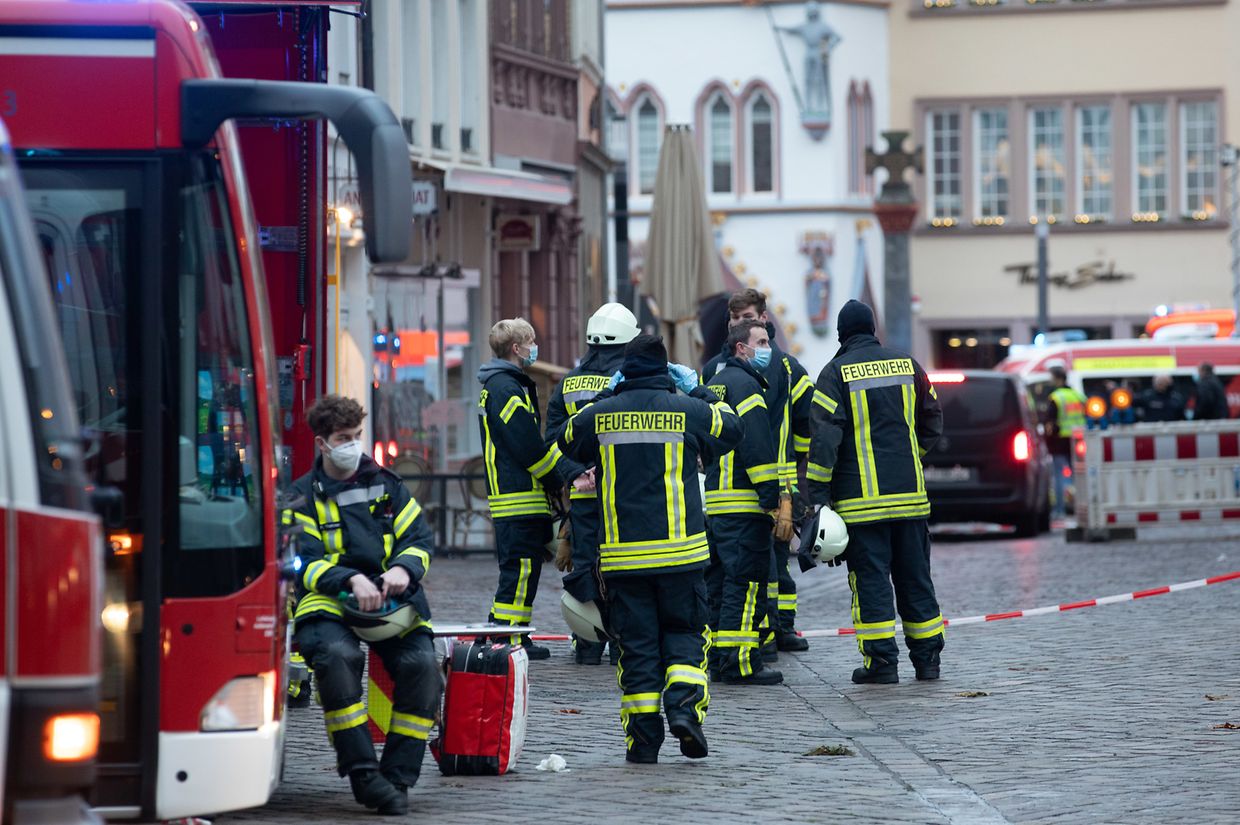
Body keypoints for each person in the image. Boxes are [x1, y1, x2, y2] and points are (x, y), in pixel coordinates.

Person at [559, 334, 743, 763]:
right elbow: (733, 428)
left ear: (625, 367)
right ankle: (683, 710)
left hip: (625, 559)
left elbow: (567, 436)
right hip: (682, 554)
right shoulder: (686, 409)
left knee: (637, 647)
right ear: (666, 371)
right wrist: (696, 387)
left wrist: (608, 392)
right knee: (685, 634)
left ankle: (643, 743)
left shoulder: (602, 413)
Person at [284, 395, 442, 816]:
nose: (353, 445)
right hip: (329, 602)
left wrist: (405, 571)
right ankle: (362, 773)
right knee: (337, 659)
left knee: (423, 668)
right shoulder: (301, 498)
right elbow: (304, 563)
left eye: (356, 436)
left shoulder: (386, 483)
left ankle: (398, 777)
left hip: (392, 599)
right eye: (343, 438)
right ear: (322, 444)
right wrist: (348, 578)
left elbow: (419, 540)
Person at [805, 300, 944, 684]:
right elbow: (932, 420)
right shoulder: (908, 365)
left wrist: (817, 495)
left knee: (871, 583)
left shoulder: (834, 373)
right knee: (916, 579)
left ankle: (882, 664)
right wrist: (910, 456)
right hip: (911, 500)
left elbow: (824, 440)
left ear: (840, 335)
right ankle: (928, 662)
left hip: (862, 506)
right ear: (873, 328)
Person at [704, 289, 814, 655]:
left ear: (764, 318)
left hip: (776, 484)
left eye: (749, 318)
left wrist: (793, 474)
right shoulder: (716, 370)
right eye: (735, 320)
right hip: (734, 490)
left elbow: (806, 423)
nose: (741, 325)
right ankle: (753, 641)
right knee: (747, 571)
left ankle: (779, 628)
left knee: (775, 567)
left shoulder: (787, 368)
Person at [544, 302, 640, 665]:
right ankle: (620, 643)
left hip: (583, 494)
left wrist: (574, 473)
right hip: (624, 493)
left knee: (585, 564)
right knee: (621, 565)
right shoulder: (631, 378)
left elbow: (552, 439)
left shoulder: (569, 382)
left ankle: (586, 643)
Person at [703, 320, 784, 685]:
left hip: (716, 502)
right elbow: (757, 446)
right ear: (741, 348)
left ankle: (720, 658)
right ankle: (739, 663)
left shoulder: (714, 385)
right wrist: (772, 498)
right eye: (762, 342)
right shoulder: (747, 385)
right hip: (744, 503)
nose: (768, 348)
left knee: (719, 586)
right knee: (746, 584)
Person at [477, 318, 564, 659]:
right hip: (518, 497)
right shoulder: (505, 388)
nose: (534, 348)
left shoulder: (502, 385)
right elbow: (526, 444)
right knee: (520, 570)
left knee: (522, 570)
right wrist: (555, 479)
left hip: (515, 496)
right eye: (530, 342)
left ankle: (508, 633)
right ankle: (508, 639)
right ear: (516, 348)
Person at [1044, 366, 1086, 519]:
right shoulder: (1078, 396)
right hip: (1078, 441)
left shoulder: (1056, 397)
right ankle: (1082, 507)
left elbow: (1050, 423)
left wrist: (1048, 439)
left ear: (1058, 378)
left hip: (1059, 441)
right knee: (1079, 476)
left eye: (1051, 377)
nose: (1050, 380)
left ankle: (1059, 510)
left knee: (1059, 477)